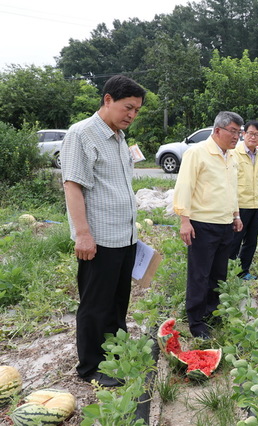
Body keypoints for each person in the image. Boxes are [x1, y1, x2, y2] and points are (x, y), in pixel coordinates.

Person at [60, 75, 146, 387]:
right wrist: (82, 234)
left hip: (125, 237)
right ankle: (90, 368)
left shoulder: (120, 137)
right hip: (99, 239)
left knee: (118, 301)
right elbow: (72, 185)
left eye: (136, 110)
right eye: (128, 107)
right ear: (107, 100)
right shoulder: (82, 134)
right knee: (95, 304)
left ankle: (114, 352)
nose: (131, 115)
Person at [173, 111, 244, 339]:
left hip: (225, 224)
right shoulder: (198, 153)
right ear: (217, 131)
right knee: (199, 274)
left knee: (218, 273)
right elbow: (184, 186)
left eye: (238, 132)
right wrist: (185, 220)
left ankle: (212, 313)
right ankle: (195, 320)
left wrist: (236, 215)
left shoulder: (230, 156)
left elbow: (231, 188)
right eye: (233, 131)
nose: (236, 137)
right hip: (202, 224)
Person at [229, 120, 258, 280]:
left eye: (257, 134)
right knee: (234, 240)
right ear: (243, 134)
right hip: (240, 205)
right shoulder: (234, 154)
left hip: (257, 205)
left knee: (251, 241)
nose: (253, 137)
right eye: (250, 133)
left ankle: (243, 271)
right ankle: (228, 270)